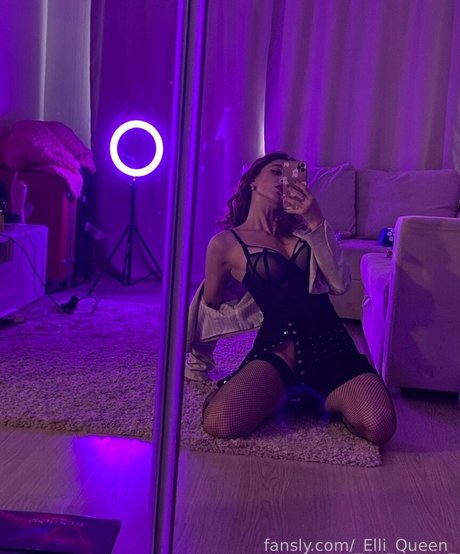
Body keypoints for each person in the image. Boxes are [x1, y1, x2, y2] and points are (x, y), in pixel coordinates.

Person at [200, 152, 397, 444]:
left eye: (290, 173)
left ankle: (316, 399)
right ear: (252, 181)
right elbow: (209, 307)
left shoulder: (306, 234)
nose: (284, 179)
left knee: (379, 425)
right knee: (220, 421)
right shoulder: (225, 243)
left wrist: (315, 219)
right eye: (276, 171)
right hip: (281, 350)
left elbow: (340, 284)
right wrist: (198, 359)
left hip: (333, 346)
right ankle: (282, 395)